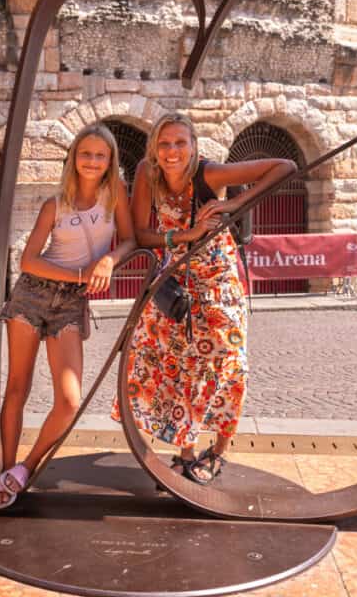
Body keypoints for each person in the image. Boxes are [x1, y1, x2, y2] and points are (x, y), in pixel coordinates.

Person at [116, 113, 295, 484]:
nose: (172, 151)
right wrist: (185, 236)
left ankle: (218, 450)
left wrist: (233, 204)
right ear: (154, 148)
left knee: (227, 362)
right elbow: (141, 232)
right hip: (175, 281)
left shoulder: (209, 174)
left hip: (217, 280)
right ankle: (184, 451)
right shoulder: (148, 174)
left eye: (180, 143)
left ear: (194, 146)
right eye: (164, 144)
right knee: (178, 363)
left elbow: (284, 166)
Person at [0, 122, 135, 508]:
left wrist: (107, 259)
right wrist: (78, 274)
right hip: (32, 295)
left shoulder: (115, 195)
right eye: (85, 154)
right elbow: (28, 260)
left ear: (110, 162)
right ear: (74, 158)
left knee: (70, 401)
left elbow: (132, 238)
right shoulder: (55, 204)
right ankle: (7, 472)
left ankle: (26, 467)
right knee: (17, 387)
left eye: (100, 156)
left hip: (72, 304)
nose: (92, 161)